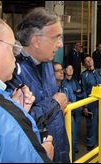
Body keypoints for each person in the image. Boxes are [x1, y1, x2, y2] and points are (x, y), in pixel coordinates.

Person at [6, 8, 70, 163]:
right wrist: (55, 104)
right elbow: (18, 121)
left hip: (59, 149)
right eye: (56, 38)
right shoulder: (11, 71)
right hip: (37, 155)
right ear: (36, 41)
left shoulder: (47, 62)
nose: (61, 44)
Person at [0, 16, 53, 163]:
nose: (15, 56)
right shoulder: (4, 118)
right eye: (12, 48)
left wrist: (14, 108)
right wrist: (44, 156)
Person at [81, 55, 101, 150]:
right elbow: (84, 90)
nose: (89, 61)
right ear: (85, 64)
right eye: (86, 61)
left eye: (90, 59)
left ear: (93, 60)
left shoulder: (100, 71)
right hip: (91, 103)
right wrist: (84, 106)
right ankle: (90, 143)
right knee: (91, 123)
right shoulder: (84, 75)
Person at [63, 64, 86, 157]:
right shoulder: (62, 82)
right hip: (68, 110)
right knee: (70, 131)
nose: (71, 70)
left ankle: (74, 148)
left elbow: (81, 92)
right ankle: (70, 151)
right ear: (65, 70)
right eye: (68, 68)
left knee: (76, 129)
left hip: (76, 108)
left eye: (72, 68)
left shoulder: (75, 81)